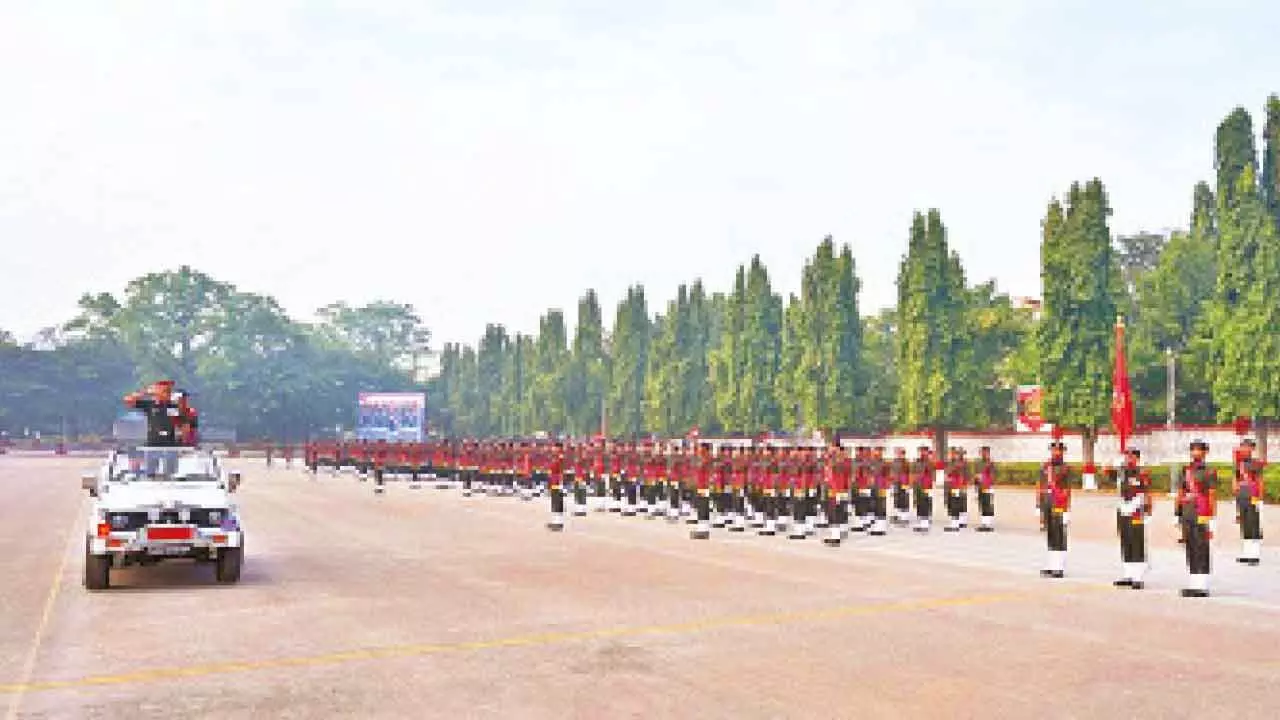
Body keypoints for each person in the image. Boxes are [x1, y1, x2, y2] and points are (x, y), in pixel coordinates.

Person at [1179, 440, 1217, 596]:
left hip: (1202, 512)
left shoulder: (1209, 472)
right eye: (1193, 450)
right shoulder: (1186, 470)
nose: (1195, 452)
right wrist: (1178, 514)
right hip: (1188, 512)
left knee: (1201, 547)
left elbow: (1212, 495)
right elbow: (1181, 492)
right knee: (1190, 547)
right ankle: (1194, 583)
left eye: (1198, 450)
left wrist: (1212, 519)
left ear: (1205, 452)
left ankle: (1202, 585)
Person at [1113, 448, 1152, 589]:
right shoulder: (1121, 472)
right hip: (1123, 509)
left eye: (1131, 456)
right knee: (1126, 541)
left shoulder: (1142, 473)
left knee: (1137, 542)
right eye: (1127, 456)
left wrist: (1147, 511)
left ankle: (1138, 577)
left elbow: (1147, 493)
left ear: (1137, 458)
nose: (1128, 459)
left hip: (1136, 509)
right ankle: (1128, 574)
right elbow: (1105, 471)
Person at [1040, 441, 1072, 578]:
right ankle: (1051, 564)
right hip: (1047, 501)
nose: (1056, 453)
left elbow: (1067, 490)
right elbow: (1040, 486)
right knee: (1050, 534)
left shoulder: (1065, 468)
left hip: (1059, 503)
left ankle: (1059, 567)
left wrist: (1066, 509)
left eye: (1058, 450)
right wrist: (1039, 506)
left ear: (1063, 452)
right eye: (1053, 450)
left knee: (1059, 535)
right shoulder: (1045, 466)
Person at [1234, 438, 1265, 566]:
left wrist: (1260, 500)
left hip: (1253, 498)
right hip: (1242, 497)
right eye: (1242, 447)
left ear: (1252, 449)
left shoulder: (1256, 464)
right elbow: (1236, 480)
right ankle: (1247, 554)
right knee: (1245, 526)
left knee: (1254, 527)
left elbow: (1260, 481)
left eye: (1246, 447)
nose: (1244, 449)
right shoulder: (1239, 464)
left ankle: (1255, 555)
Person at [973, 446, 996, 532]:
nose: (983, 454)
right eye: (982, 452)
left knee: (987, 504)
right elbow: (976, 474)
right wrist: (976, 484)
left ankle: (987, 525)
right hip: (980, 486)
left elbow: (993, 476)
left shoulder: (991, 463)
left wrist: (989, 484)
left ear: (988, 453)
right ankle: (984, 524)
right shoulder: (978, 463)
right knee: (982, 504)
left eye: (985, 452)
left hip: (987, 486)